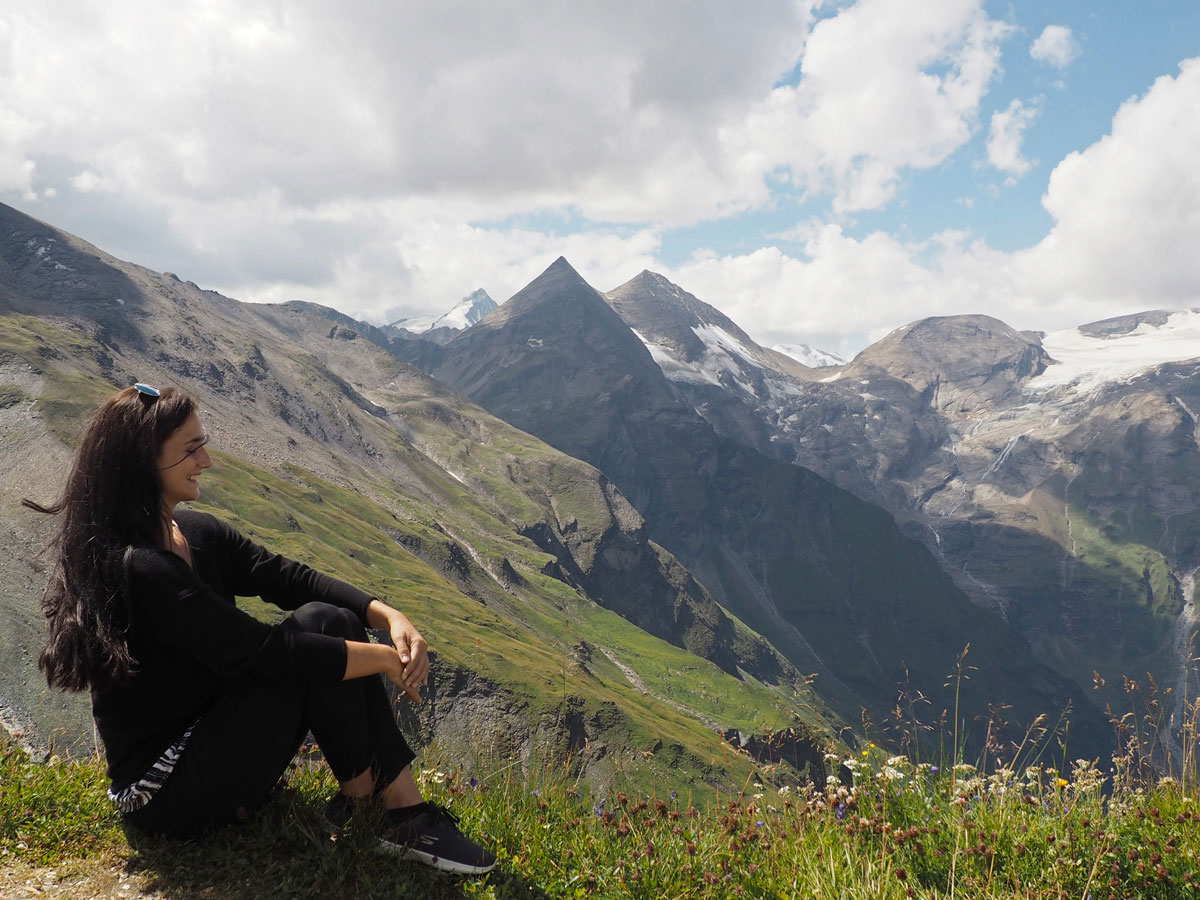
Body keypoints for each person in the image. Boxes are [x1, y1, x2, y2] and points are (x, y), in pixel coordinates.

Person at [23, 383, 496, 874]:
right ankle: (395, 815)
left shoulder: (196, 532)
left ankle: (373, 808)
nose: (206, 461)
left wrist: (387, 616)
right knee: (316, 635)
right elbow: (266, 653)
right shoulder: (139, 568)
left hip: (212, 736)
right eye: (191, 449)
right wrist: (383, 660)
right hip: (161, 793)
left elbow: (289, 578)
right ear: (144, 463)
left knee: (332, 619)